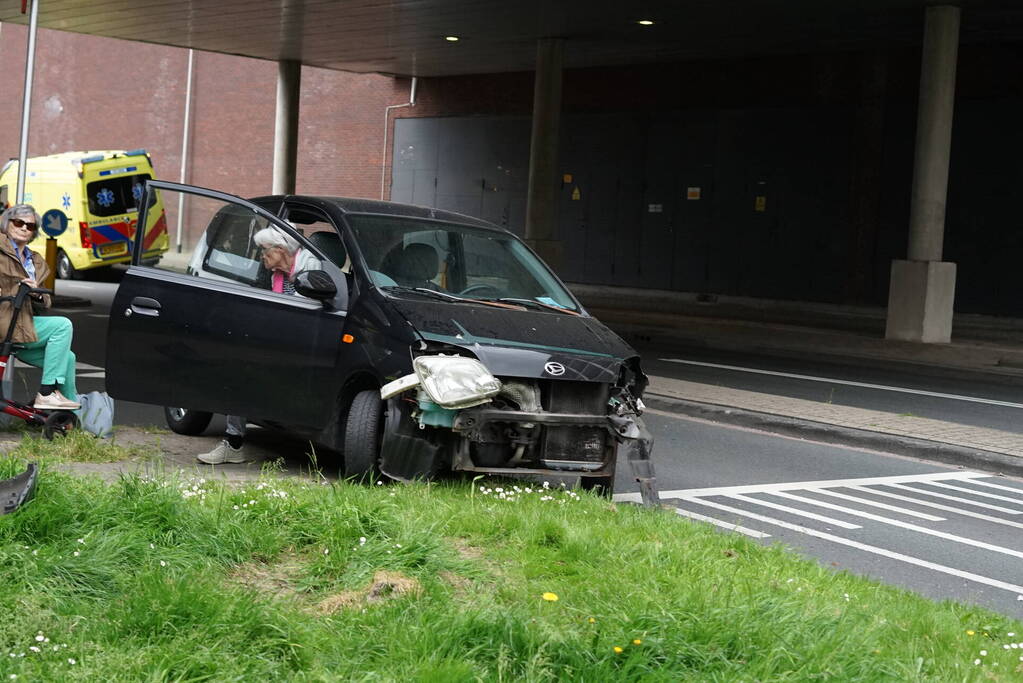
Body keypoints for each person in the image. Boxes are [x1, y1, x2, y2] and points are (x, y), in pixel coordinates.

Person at [197, 226, 321, 464]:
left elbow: (304, 312)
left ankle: (235, 442)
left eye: (265, 251)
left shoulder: (310, 266)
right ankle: (233, 444)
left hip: (307, 344)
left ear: (281, 249)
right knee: (237, 366)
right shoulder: (274, 274)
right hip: (281, 341)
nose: (262, 257)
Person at [0, 204, 80, 410]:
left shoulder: (35, 261)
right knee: (62, 325)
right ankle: (46, 393)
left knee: (68, 358)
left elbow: (46, 303)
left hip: (20, 326)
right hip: (4, 321)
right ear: (7, 223)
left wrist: (36, 293)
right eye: (19, 222)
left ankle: (69, 416)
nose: (25, 228)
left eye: (31, 226)